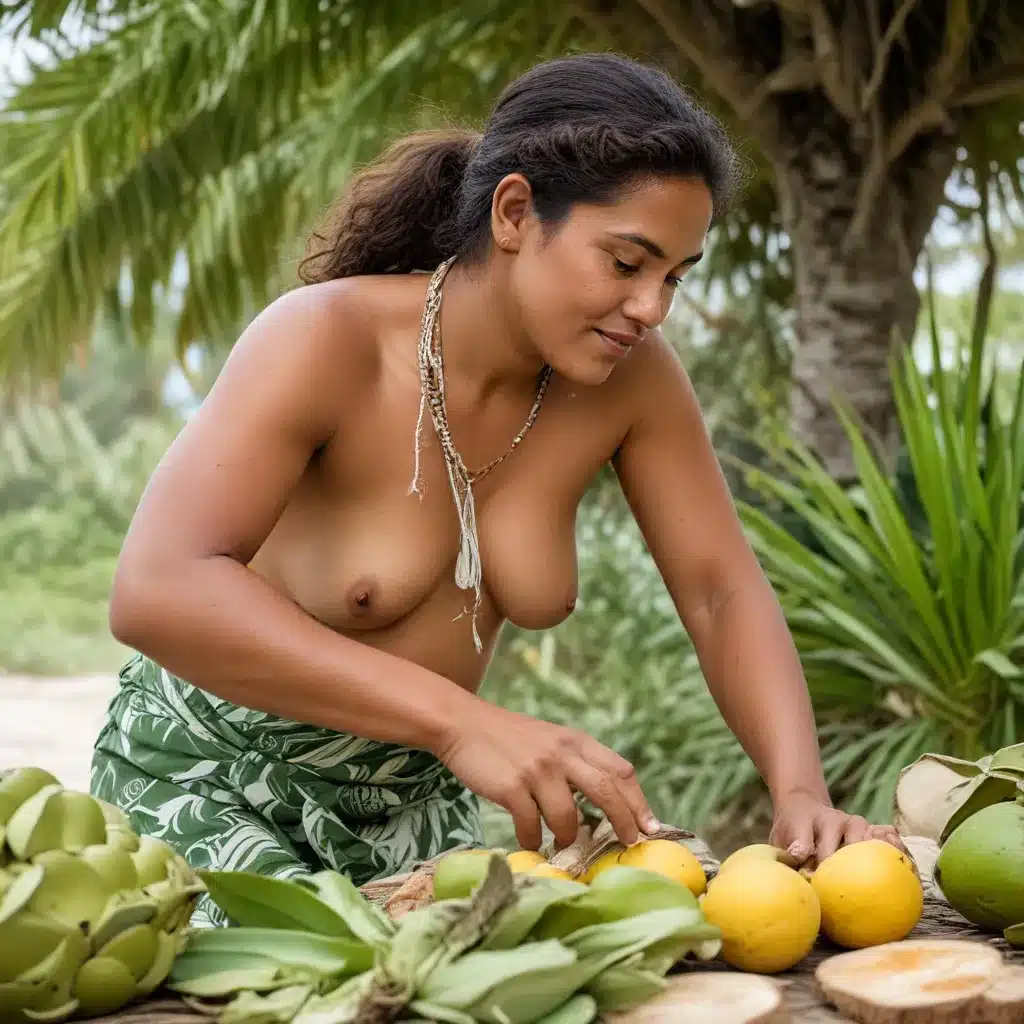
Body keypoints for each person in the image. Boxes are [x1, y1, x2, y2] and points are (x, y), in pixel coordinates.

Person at [91, 52, 904, 927]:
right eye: (627, 262)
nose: (652, 307)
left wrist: (798, 788)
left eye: (674, 275)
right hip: (210, 786)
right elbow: (156, 589)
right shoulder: (328, 341)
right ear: (515, 213)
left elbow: (718, 590)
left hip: (415, 819)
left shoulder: (631, 383)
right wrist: (460, 723)